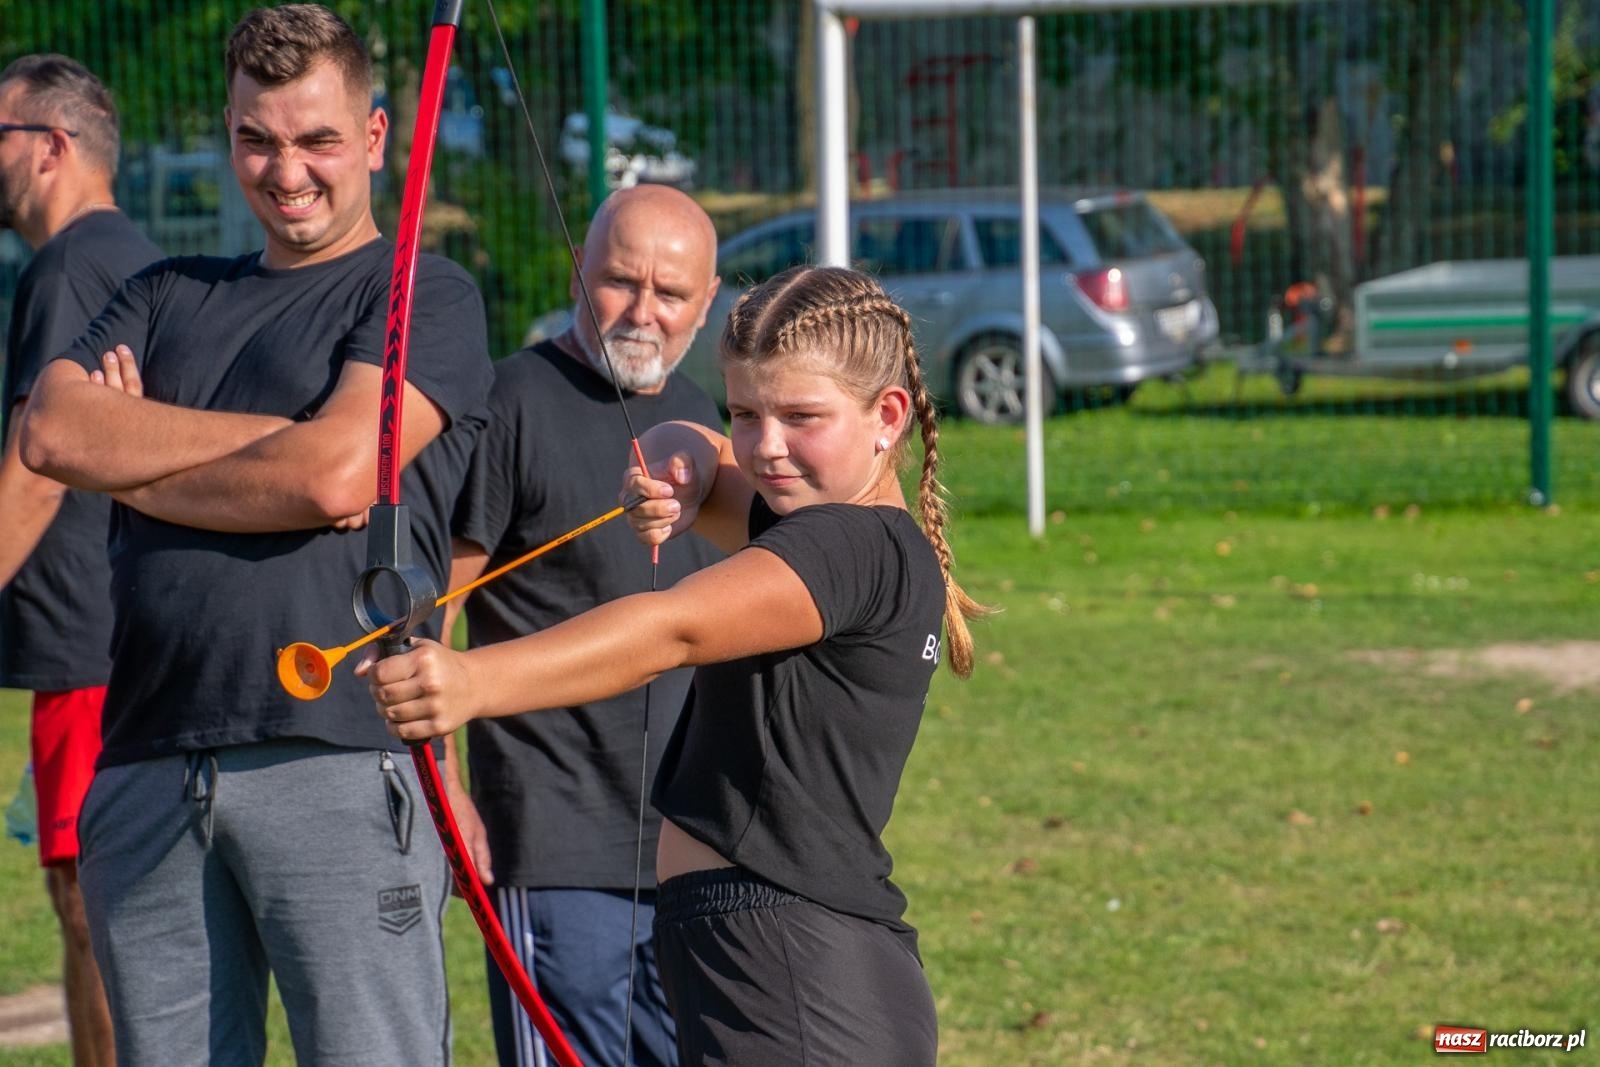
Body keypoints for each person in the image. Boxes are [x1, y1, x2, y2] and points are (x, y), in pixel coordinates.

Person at [18, 6, 490, 1063]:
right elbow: (52, 431)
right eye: (257, 139)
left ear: (373, 137)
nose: (287, 172)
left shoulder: (424, 293)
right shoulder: (161, 290)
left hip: (332, 756)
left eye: (318, 138)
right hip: (146, 759)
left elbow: (333, 475)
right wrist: (276, 449)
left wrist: (138, 461)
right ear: (228, 132)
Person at [368, 264, 988, 1066]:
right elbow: (694, 446)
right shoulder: (838, 526)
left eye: (802, 415)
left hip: (798, 964)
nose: (766, 444)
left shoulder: (848, 545)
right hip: (776, 950)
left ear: (888, 416)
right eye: (744, 410)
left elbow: (674, 630)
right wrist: (673, 461)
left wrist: (473, 681)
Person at [443, 182, 724, 1067]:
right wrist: (449, 791)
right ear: (578, 269)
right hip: (554, 839)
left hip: (684, 843)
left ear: (706, 303)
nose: (643, 312)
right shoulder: (512, 400)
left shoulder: (707, 422)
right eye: (619, 281)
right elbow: (431, 615)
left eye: (671, 293)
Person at [0, 53, 161, 1067]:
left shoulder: (71, 266)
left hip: (92, 652)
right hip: (102, 642)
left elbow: (39, 463)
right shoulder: (119, 256)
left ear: (51, 146)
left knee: (94, 903)